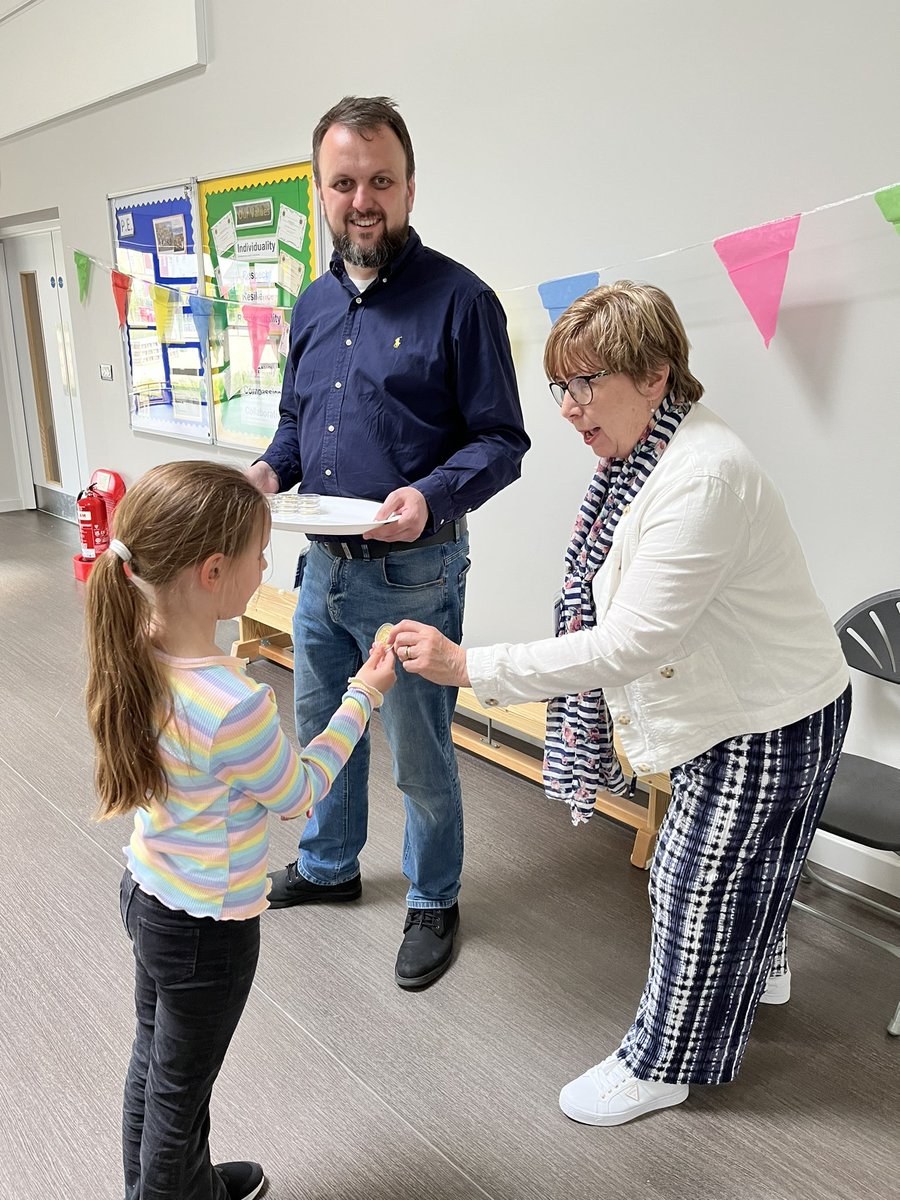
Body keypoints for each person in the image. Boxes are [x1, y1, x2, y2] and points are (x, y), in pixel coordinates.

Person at [388, 281, 851, 1125]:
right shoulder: (645, 461)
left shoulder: (701, 477)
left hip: (769, 712)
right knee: (754, 865)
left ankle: (662, 1064)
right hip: (767, 696)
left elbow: (631, 641)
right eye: (560, 387)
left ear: (656, 375)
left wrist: (470, 665)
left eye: (586, 383)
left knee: (689, 882)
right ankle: (762, 969)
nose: (568, 408)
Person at [246, 95, 529, 989]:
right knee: (323, 725)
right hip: (320, 567)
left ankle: (433, 896)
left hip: (414, 569)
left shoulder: (463, 300)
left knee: (420, 751)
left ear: (409, 188)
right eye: (343, 182)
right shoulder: (311, 304)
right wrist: (263, 474)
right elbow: (297, 428)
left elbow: (501, 440)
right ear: (320, 191)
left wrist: (432, 495)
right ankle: (329, 868)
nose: (361, 198)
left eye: (380, 181)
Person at [84, 461, 396, 1200]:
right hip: (206, 932)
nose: (267, 565)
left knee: (154, 1064)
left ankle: (183, 1181)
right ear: (215, 572)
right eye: (261, 553)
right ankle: (169, 1188)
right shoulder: (234, 704)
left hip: (147, 893)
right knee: (179, 1093)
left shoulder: (135, 649)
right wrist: (362, 695)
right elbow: (299, 793)